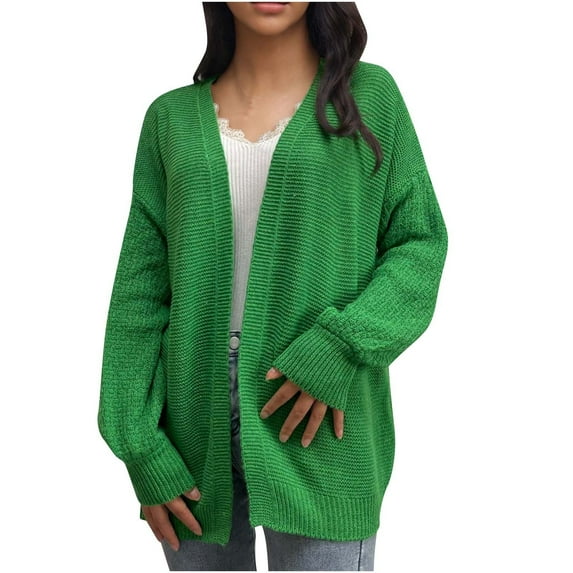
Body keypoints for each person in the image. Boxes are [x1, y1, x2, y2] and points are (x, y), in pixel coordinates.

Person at [97, 2, 448, 571]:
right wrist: (137, 443)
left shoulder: (368, 98)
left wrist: (340, 347)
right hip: (187, 424)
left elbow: (418, 244)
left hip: (320, 417)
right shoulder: (169, 121)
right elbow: (140, 294)